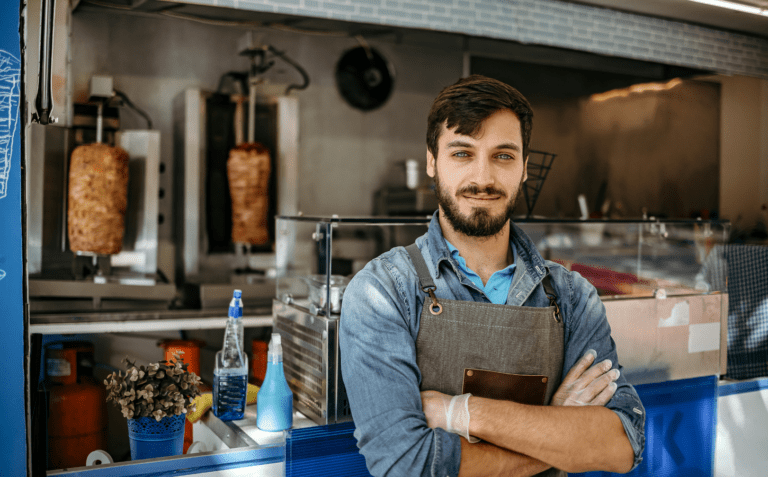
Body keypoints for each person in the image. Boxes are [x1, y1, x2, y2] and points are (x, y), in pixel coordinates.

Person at [339, 75, 645, 476]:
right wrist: (555, 432)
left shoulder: (572, 297)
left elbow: (621, 445)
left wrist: (461, 413)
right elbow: (405, 465)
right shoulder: (384, 291)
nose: (483, 178)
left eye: (502, 156)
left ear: (524, 169)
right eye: (462, 153)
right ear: (432, 161)